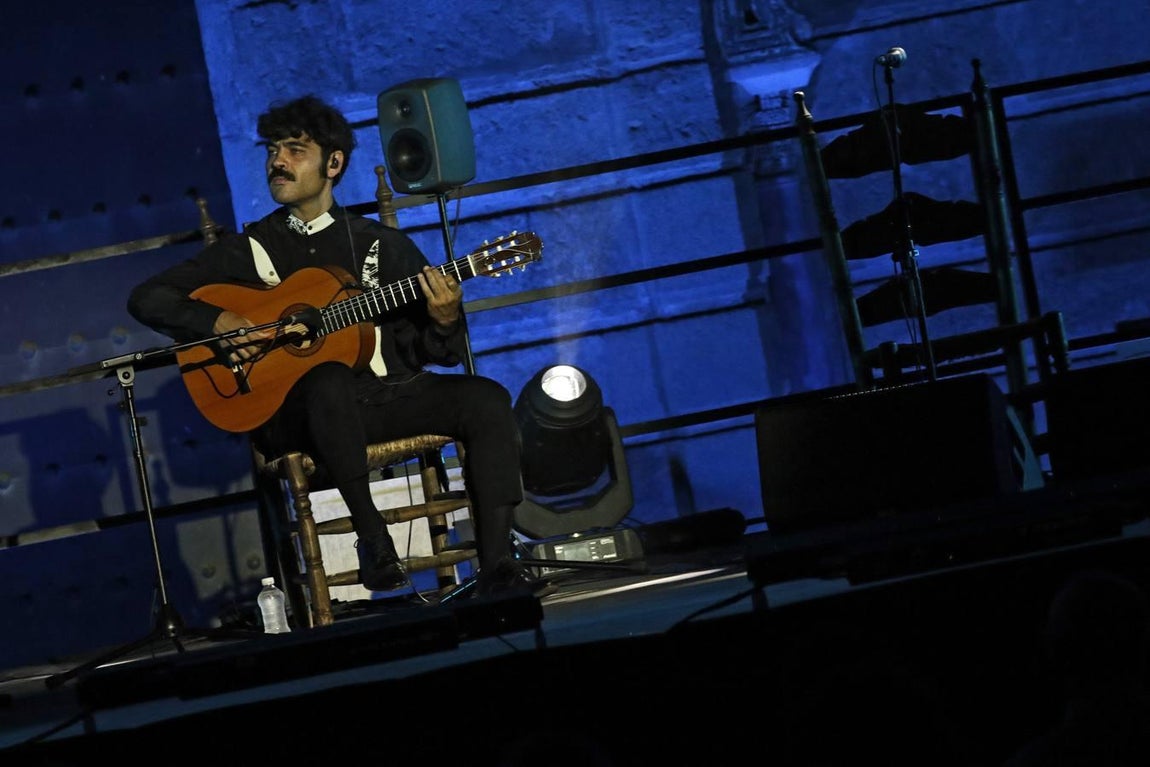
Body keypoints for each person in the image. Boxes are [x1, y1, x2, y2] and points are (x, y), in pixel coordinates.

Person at [127, 94, 544, 598]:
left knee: (487, 399)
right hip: (297, 417)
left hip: (379, 399)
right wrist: (219, 320)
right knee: (327, 379)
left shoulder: (379, 245)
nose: (278, 161)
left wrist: (444, 317)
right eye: (273, 150)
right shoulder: (249, 249)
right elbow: (147, 297)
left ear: (333, 163)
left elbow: (436, 353)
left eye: (295, 150)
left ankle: (498, 565)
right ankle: (374, 539)